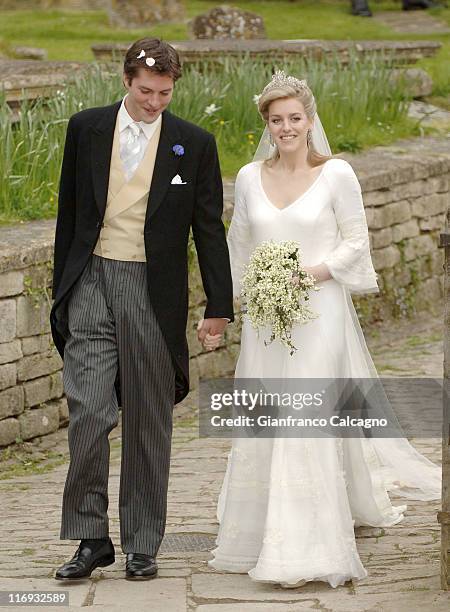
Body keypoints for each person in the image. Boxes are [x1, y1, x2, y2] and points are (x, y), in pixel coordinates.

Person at [208, 71, 441, 588]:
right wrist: (249, 293)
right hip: (269, 317)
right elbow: (238, 246)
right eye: (276, 120)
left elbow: (357, 242)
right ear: (265, 125)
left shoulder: (338, 174)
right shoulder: (248, 177)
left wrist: (309, 274)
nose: (286, 127)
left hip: (321, 310)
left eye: (295, 118)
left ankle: (308, 544)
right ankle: (263, 529)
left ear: (310, 120)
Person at [50, 37, 234, 581]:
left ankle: (142, 540)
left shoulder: (192, 144)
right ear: (126, 81)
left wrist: (218, 305)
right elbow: (69, 214)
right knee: (87, 411)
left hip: (151, 289)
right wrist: (62, 292)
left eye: (165, 93)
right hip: (90, 280)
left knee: (149, 418)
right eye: (146, 91)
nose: (155, 102)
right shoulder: (85, 129)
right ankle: (90, 536)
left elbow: (207, 228)